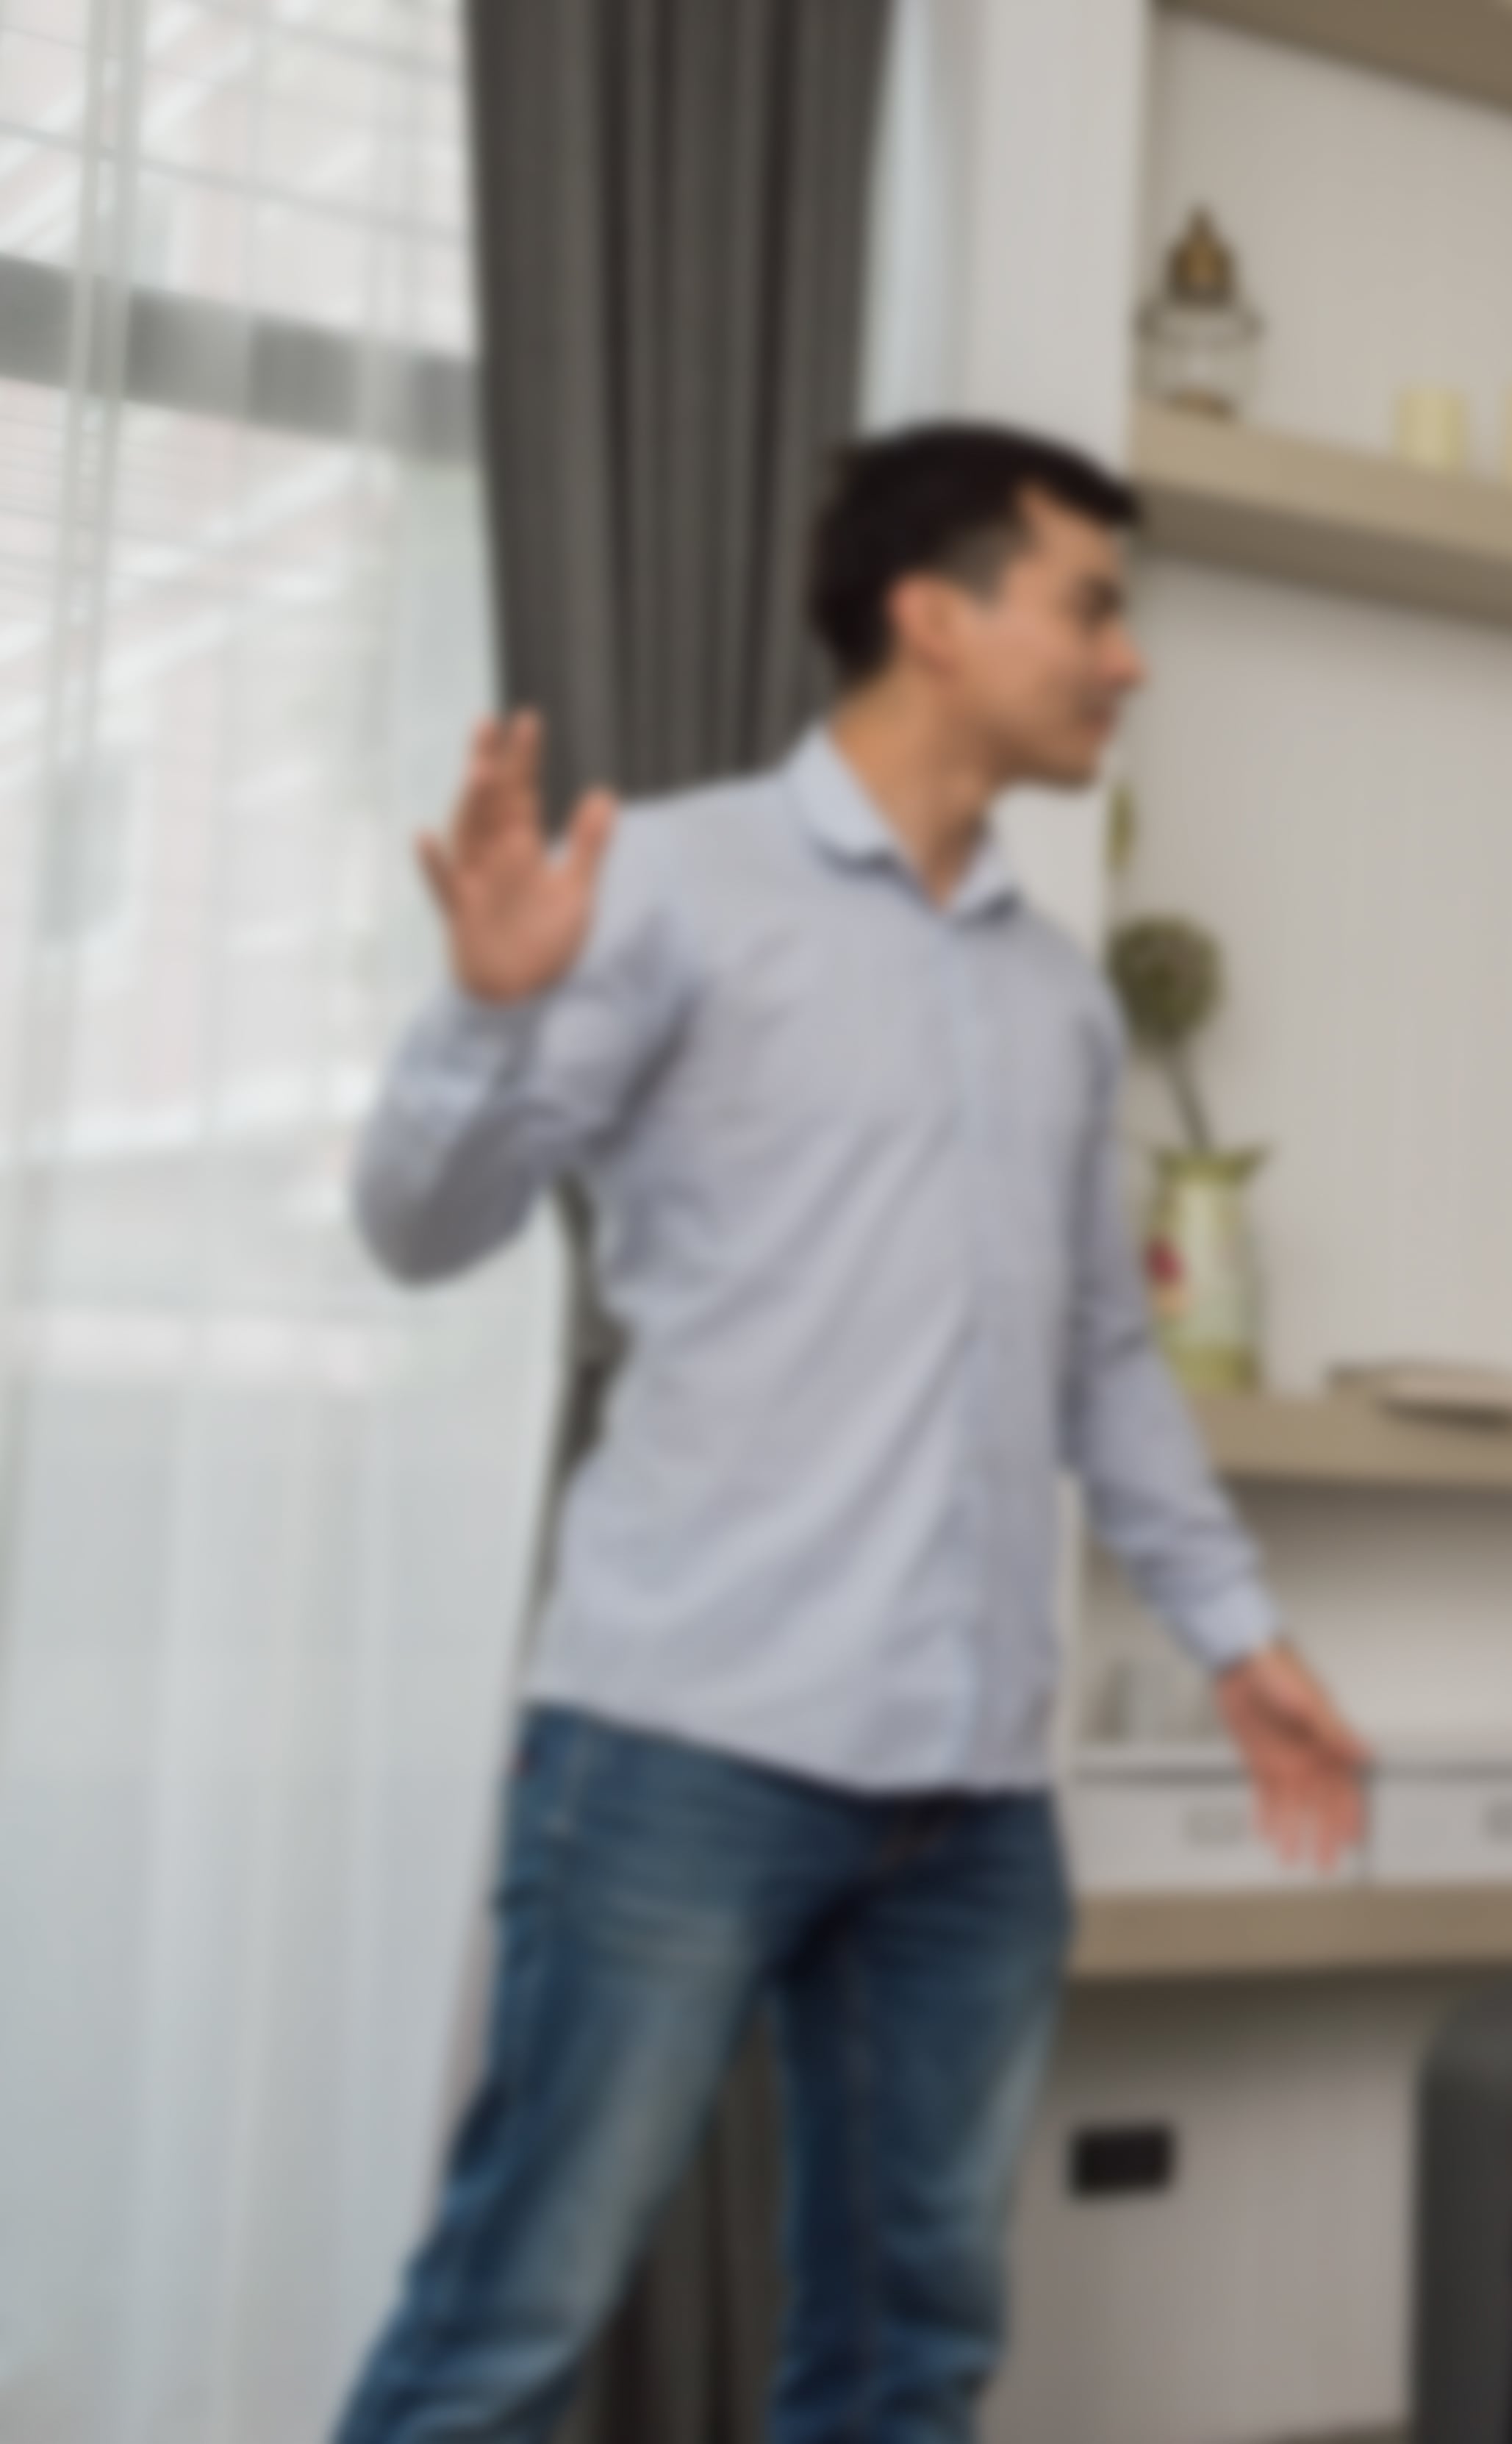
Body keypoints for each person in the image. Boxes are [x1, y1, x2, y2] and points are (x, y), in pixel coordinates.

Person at [334, 424, 1368, 2442]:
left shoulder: (1061, 1004)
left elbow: (1104, 1362)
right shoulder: (676, 889)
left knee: (913, 2362)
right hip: (680, 1744)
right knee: (510, 2321)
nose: (1125, 660)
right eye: (1091, 605)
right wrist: (479, 1011)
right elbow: (416, 1227)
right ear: (934, 614)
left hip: (974, 1791)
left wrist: (1239, 1632)